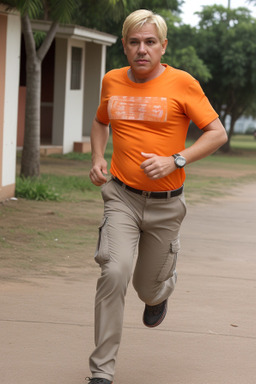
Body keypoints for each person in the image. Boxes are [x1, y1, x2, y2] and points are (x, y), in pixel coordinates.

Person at [87, 9, 227, 384]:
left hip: (166, 206)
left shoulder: (183, 83)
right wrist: (98, 157)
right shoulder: (112, 81)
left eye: (150, 42)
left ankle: (160, 290)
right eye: (134, 42)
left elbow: (217, 133)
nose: (142, 49)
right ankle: (101, 371)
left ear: (163, 46)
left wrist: (176, 159)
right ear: (124, 46)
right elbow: (101, 121)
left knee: (145, 287)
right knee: (114, 272)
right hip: (121, 197)